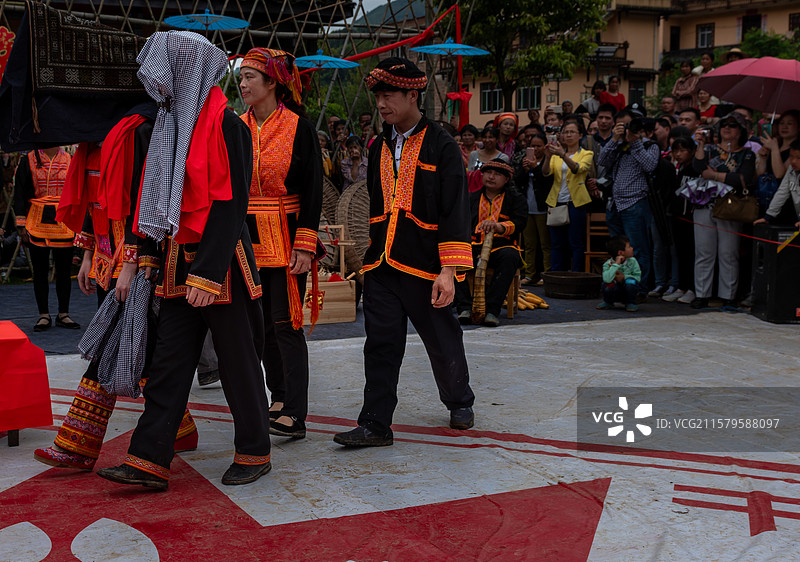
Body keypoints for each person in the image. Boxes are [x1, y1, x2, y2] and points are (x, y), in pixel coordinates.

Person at [98, 31, 270, 489]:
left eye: (165, 73)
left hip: (221, 268)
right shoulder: (168, 123)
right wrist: (141, 259)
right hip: (174, 265)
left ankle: (254, 452)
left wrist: (208, 273)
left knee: (237, 364)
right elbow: (152, 201)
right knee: (169, 363)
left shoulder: (227, 125)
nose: (157, 84)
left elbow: (230, 207)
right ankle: (148, 460)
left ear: (185, 71)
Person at [36, 104, 200, 471]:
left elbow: (143, 206)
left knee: (115, 345)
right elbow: (97, 207)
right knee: (138, 347)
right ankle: (181, 427)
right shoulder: (89, 149)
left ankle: (77, 445)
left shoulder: (138, 133)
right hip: (112, 261)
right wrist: (91, 255)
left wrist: (130, 264)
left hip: (143, 262)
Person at [333, 57, 475, 448]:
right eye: (378, 95)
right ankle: (375, 424)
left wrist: (448, 271)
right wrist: (367, 257)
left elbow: (455, 210)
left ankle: (459, 400)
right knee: (380, 345)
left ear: (413, 95)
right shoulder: (377, 145)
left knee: (442, 338)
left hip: (426, 266)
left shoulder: (443, 145)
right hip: (381, 264)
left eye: (389, 94)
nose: (381, 103)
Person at [237, 47, 323, 440]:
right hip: (244, 237)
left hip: (286, 232)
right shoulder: (236, 126)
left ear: (272, 82)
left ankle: (296, 411)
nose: (242, 84)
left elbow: (313, 190)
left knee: (286, 323)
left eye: (250, 77)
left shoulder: (297, 127)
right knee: (260, 328)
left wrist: (305, 245)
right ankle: (279, 395)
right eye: (240, 78)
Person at [690, 111, 756, 311]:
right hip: (706, 203)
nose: (727, 128)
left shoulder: (747, 154)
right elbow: (698, 168)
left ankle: (728, 296)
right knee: (704, 252)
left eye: (733, 125)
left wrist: (714, 175)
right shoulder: (709, 150)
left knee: (728, 253)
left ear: (741, 131)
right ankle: (702, 294)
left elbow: (742, 179)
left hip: (731, 206)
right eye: (724, 125)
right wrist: (700, 145)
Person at [454, 159, 526, 327]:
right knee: (454, 256)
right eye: (488, 173)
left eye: (497, 174)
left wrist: (499, 226)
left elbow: (521, 222)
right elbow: (460, 223)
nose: (492, 177)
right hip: (473, 246)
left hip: (502, 246)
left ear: (506, 179)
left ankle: (492, 310)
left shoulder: (516, 199)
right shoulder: (470, 198)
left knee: (510, 256)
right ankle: (464, 307)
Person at [13, 146, 77, 331]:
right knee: (40, 270)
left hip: (64, 218)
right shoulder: (29, 159)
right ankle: (44, 315)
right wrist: (20, 223)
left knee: (64, 270)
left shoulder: (69, 159)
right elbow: (19, 192)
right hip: (36, 218)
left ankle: (63, 314)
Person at [598, 110, 660, 291]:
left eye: (629, 125)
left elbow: (650, 166)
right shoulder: (617, 145)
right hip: (614, 203)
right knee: (617, 250)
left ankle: (638, 288)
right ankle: (618, 285)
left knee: (638, 249)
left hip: (635, 203)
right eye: (621, 126)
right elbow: (602, 161)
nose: (626, 129)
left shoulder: (649, 146)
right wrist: (614, 139)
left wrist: (634, 142)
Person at [543, 121, 593, 272]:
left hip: (576, 202)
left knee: (576, 242)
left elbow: (578, 169)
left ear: (580, 135)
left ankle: (576, 275)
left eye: (572, 132)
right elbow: (546, 173)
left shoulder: (586, 153)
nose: (568, 135)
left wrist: (563, 155)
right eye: (565, 132)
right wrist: (547, 157)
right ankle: (556, 274)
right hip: (556, 201)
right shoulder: (556, 155)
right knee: (557, 242)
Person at [664, 136, 700, 304]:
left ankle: (693, 288)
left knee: (692, 253)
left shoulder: (696, 169)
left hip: (692, 217)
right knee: (680, 253)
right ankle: (682, 287)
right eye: (675, 150)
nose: (678, 154)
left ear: (692, 151)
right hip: (677, 215)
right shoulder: (678, 169)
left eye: (682, 150)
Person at [516, 132, 553, 285]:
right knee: (529, 244)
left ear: (545, 146)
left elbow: (546, 180)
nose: (535, 149)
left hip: (542, 208)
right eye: (532, 146)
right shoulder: (525, 161)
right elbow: (517, 181)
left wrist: (535, 167)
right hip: (527, 208)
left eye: (538, 146)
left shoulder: (548, 161)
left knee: (545, 244)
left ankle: (546, 274)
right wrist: (525, 169)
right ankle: (529, 274)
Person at [596, 235, 641, 312]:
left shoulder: (633, 261)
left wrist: (624, 277)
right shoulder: (608, 264)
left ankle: (630, 302)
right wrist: (616, 264)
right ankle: (608, 302)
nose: (632, 248)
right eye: (629, 247)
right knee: (607, 284)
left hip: (627, 290)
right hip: (615, 290)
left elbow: (638, 277)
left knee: (631, 281)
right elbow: (606, 279)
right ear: (620, 252)